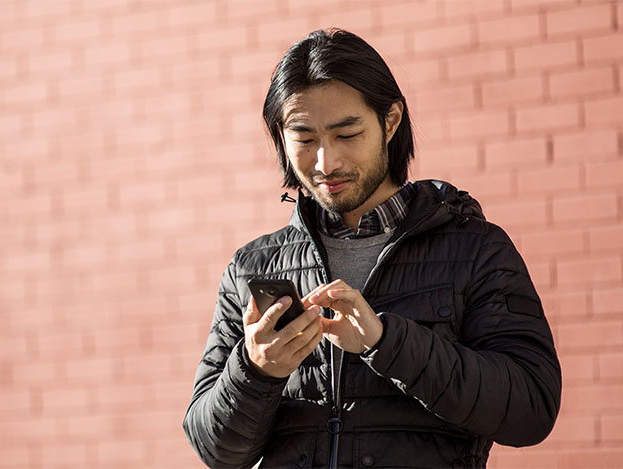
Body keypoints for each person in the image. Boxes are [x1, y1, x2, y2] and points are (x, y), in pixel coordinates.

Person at [183, 28, 562, 469]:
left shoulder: (476, 249)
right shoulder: (251, 268)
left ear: (391, 121)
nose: (326, 163)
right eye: (304, 140)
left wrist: (387, 343)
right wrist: (256, 369)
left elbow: (531, 411)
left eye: (347, 134)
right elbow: (217, 452)